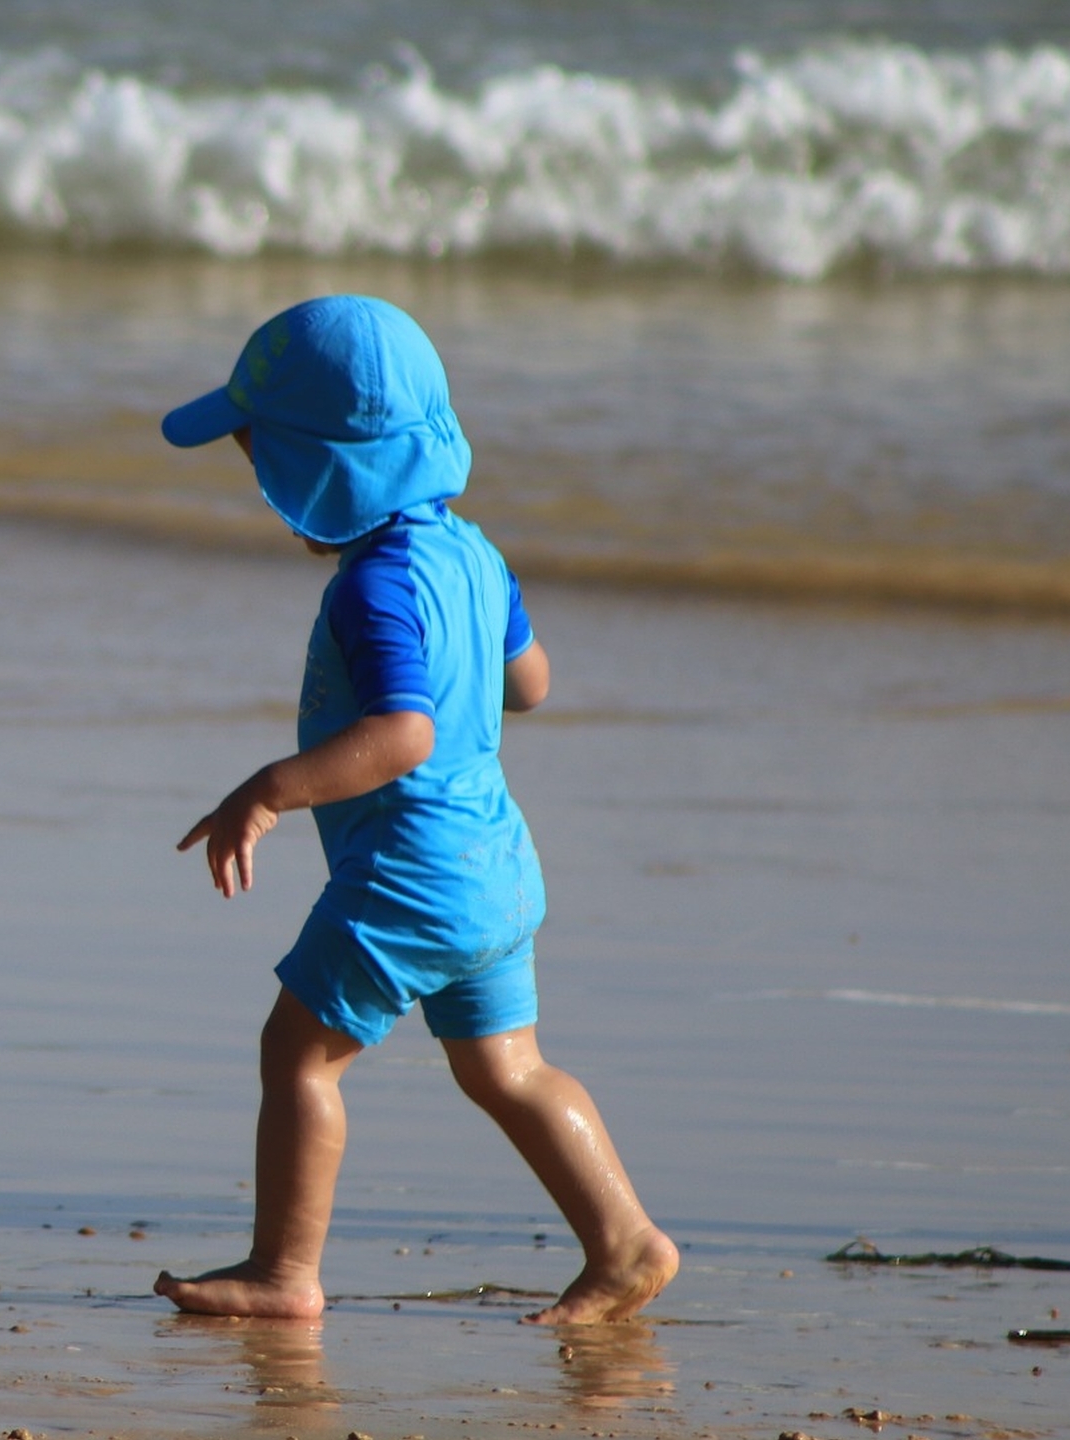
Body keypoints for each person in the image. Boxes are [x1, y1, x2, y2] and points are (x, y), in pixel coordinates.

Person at [152, 296, 679, 1326]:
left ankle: (283, 1273)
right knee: (509, 1070)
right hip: (497, 867)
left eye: (262, 460)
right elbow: (529, 683)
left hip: (411, 874)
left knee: (296, 1054)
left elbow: (403, 736)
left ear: (315, 468)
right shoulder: (474, 556)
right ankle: (623, 1242)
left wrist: (270, 789)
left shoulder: (372, 588)